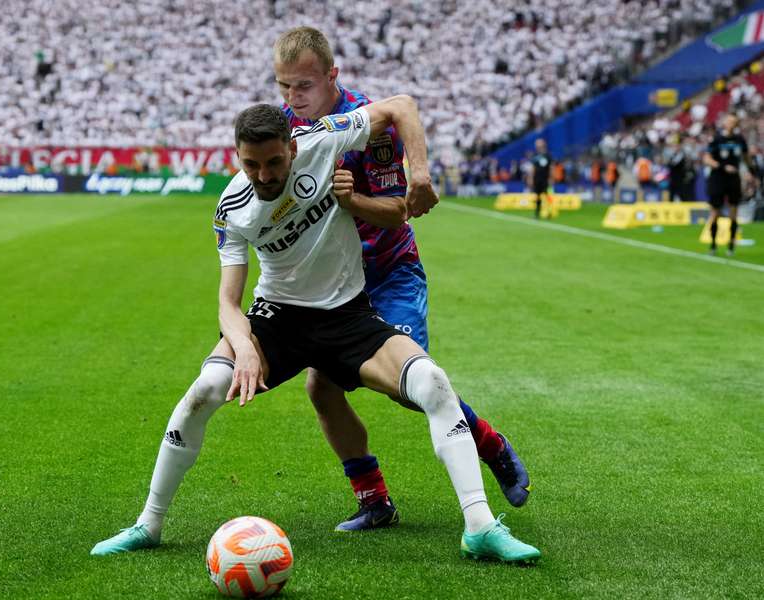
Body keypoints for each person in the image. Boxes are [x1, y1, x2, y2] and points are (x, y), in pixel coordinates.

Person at [91, 97, 541, 563]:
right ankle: (149, 523)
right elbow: (228, 302)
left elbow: (400, 108)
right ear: (237, 157)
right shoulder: (232, 206)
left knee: (432, 382)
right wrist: (244, 346)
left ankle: (480, 526)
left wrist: (419, 171)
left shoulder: (323, 139)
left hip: (348, 315)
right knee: (205, 389)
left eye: (273, 162)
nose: (264, 176)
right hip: (278, 319)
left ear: (292, 145)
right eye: (251, 165)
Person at [272, 27, 529, 531]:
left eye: (302, 86)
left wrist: (354, 201)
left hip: (389, 272)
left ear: (332, 77)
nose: (292, 99)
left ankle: (491, 446)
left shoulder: (370, 125)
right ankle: (375, 502)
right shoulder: (285, 127)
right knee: (321, 390)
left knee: (405, 386)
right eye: (283, 86)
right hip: (334, 286)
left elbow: (396, 213)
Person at [703, 114, 755, 257]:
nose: (731, 123)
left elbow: (746, 158)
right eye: (729, 121)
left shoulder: (740, 140)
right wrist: (721, 167)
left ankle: (731, 245)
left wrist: (752, 172)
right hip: (718, 178)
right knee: (715, 212)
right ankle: (713, 245)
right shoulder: (716, 139)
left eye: (734, 121)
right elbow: (706, 158)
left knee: (733, 212)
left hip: (733, 179)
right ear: (724, 123)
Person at [528, 138, 552, 218]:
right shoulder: (535, 156)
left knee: (547, 195)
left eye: (539, 143)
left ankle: (549, 212)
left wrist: (551, 178)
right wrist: (531, 178)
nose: (537, 146)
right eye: (537, 144)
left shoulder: (548, 155)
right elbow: (533, 168)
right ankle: (537, 213)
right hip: (537, 179)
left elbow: (551, 167)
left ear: (543, 144)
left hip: (545, 178)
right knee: (537, 196)